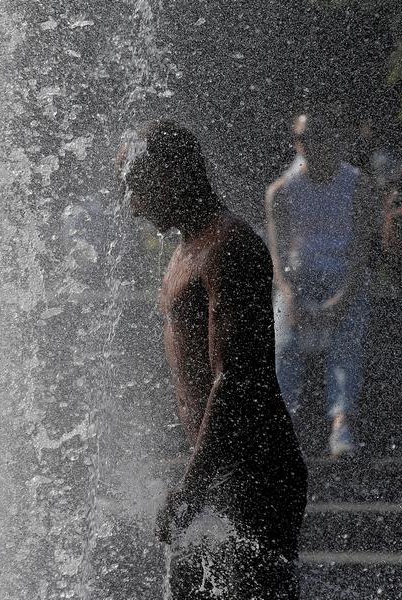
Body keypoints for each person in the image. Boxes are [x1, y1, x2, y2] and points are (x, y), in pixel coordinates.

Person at [118, 120, 307, 599]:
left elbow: (235, 379)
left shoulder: (228, 246)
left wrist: (191, 488)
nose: (134, 205)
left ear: (170, 174)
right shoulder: (187, 250)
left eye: (138, 186)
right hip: (222, 468)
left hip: (255, 471)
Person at [264, 113, 374, 458]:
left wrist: (341, 299)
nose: (310, 146)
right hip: (298, 280)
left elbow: (361, 254)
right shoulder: (280, 192)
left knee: (347, 339)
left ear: (335, 141)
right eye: (303, 139)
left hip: (343, 278)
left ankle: (341, 423)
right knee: (283, 342)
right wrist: (290, 297)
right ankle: (283, 426)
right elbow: (277, 258)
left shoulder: (358, 185)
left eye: (318, 138)